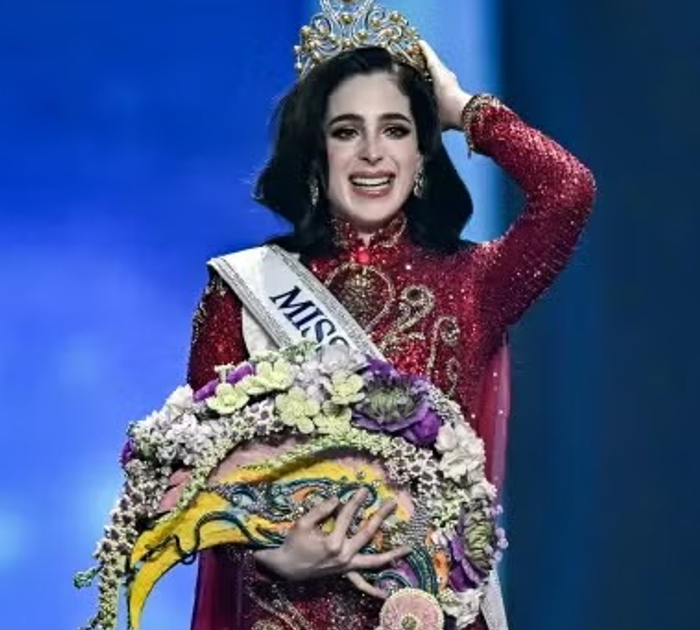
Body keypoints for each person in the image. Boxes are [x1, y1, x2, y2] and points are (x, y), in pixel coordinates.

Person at [183, 4, 596, 629]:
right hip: (287, 612)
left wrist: (462, 109)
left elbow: (568, 192)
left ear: (424, 152)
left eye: (397, 129)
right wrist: (274, 551)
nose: (373, 153)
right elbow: (197, 471)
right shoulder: (243, 291)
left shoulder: (475, 282)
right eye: (347, 130)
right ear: (315, 151)